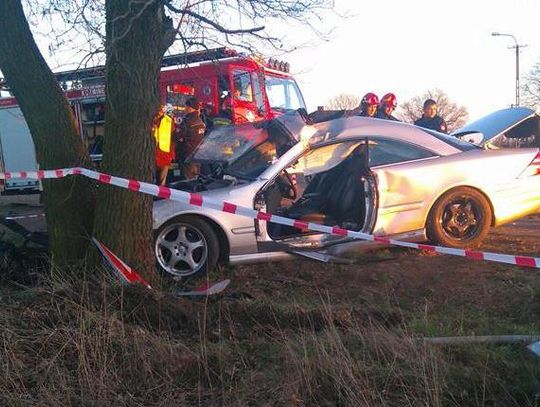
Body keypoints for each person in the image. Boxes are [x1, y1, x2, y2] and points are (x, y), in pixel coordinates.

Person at [177, 96, 206, 179]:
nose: (185, 108)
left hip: (188, 154)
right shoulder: (200, 121)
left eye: (186, 106)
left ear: (190, 108)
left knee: (189, 179)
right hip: (198, 154)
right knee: (196, 178)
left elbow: (177, 135)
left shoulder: (187, 121)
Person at [153, 103, 175, 186]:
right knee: (162, 179)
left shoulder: (156, 120)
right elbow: (173, 137)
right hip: (164, 152)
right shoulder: (169, 121)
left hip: (157, 151)